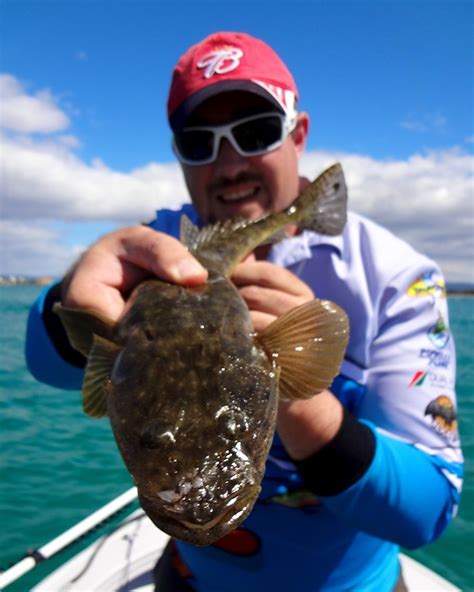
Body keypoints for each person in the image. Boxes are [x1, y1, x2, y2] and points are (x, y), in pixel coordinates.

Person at [25, 32, 463, 591]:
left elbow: (428, 511)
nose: (229, 164)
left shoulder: (397, 276)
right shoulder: (154, 253)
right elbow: (45, 365)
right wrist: (69, 295)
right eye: (199, 141)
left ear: (298, 134)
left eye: (255, 133)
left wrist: (304, 404)